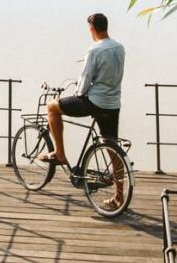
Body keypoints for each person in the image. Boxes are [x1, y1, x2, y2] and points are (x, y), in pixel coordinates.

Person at [40, 12, 127, 210]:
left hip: (94, 102)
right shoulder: (119, 47)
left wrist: (78, 90)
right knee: (112, 147)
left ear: (91, 29)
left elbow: (86, 79)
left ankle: (60, 154)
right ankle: (119, 196)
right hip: (113, 103)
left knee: (52, 107)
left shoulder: (94, 50)